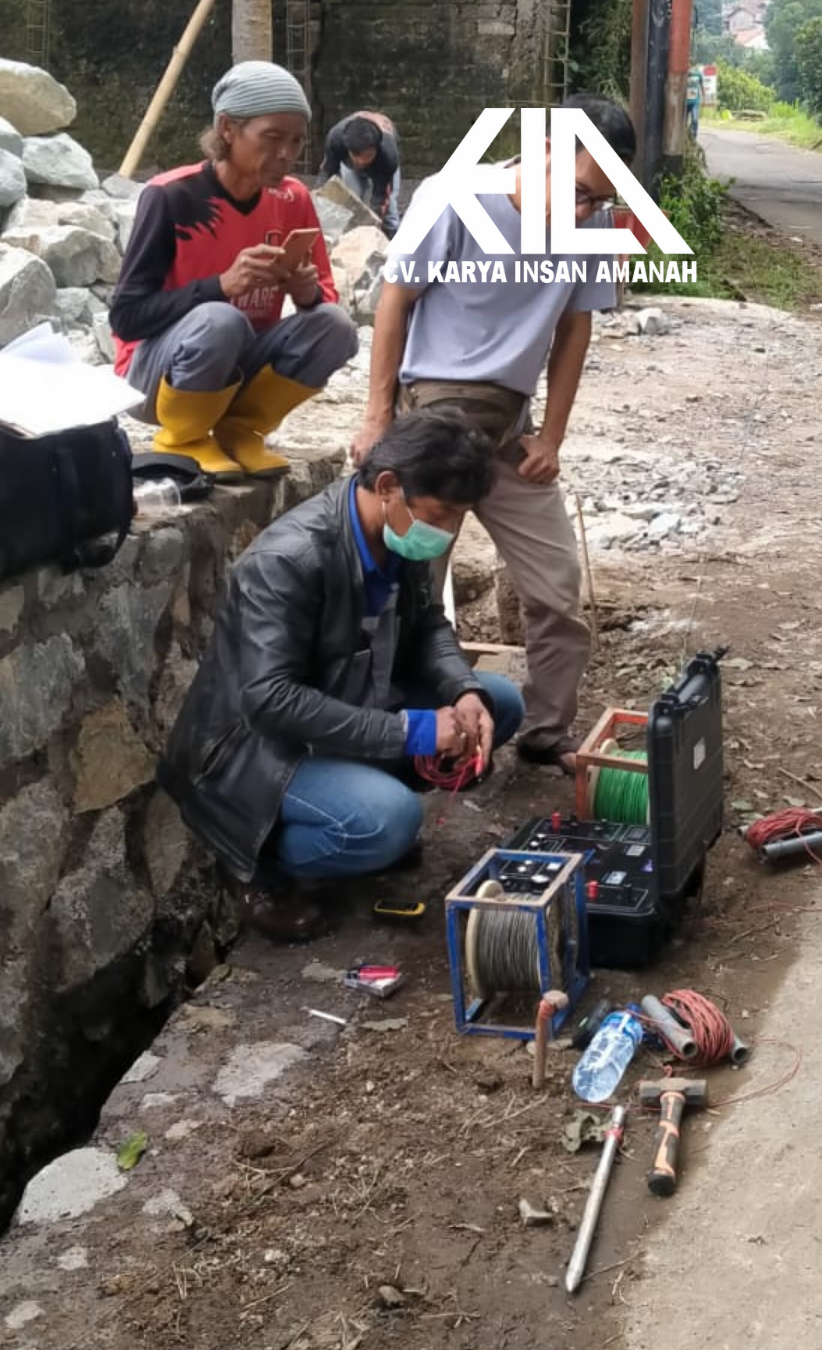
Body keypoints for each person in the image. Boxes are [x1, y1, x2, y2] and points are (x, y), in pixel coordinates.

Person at [158, 410, 525, 944]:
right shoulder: (288, 560)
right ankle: (265, 871)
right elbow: (270, 700)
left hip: (347, 701)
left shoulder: (396, 533)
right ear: (388, 487)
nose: (447, 532)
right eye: (442, 514)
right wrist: (414, 731)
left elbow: (429, 625)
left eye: (459, 517)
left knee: (498, 702)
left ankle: (365, 803)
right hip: (255, 750)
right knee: (387, 821)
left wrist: (462, 690)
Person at [350, 93, 637, 776]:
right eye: (580, 191)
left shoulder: (592, 228)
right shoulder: (456, 197)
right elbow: (396, 299)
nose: (585, 212)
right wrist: (377, 417)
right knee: (410, 586)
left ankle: (544, 731)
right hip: (430, 427)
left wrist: (552, 438)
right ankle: (410, 737)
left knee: (557, 588)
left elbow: (574, 327)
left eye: (600, 200)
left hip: (510, 431)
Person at [110, 61, 358, 483]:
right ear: (227, 128)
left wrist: (306, 294)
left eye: (296, 141)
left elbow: (324, 299)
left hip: (239, 369)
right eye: (272, 137)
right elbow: (126, 318)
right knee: (220, 318)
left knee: (335, 325)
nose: (286, 154)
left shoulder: (292, 198)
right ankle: (183, 438)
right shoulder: (172, 196)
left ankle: (240, 430)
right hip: (156, 378)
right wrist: (220, 286)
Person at [317, 110, 402, 237]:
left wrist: (374, 227)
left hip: (381, 166)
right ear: (348, 149)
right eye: (357, 155)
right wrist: (319, 204)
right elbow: (327, 174)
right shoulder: (336, 139)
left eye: (367, 156)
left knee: (390, 214)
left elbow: (381, 197)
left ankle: (393, 240)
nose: (362, 161)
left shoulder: (388, 155)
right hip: (350, 165)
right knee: (351, 202)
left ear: (376, 148)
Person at [686, 70, 704, 140]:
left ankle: (693, 137)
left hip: (695, 101)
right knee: (684, 121)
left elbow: (701, 86)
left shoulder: (698, 74)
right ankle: (685, 135)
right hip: (685, 102)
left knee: (695, 119)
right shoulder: (684, 74)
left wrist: (703, 98)